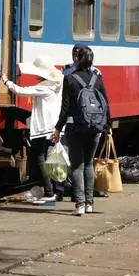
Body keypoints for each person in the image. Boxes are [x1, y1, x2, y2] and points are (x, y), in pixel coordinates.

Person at [52, 46, 111, 216]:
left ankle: (80, 205)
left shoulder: (69, 79)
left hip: (75, 127)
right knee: (88, 164)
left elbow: (65, 108)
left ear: (77, 59)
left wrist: (57, 129)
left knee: (76, 166)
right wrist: (107, 126)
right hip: (94, 128)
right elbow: (106, 103)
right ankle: (90, 203)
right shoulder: (97, 79)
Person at [1, 56, 64, 204]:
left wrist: (5, 80)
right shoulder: (57, 83)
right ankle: (56, 191)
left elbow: (20, 91)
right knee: (52, 159)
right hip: (52, 125)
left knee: (40, 158)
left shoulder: (44, 87)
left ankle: (49, 192)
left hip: (43, 128)